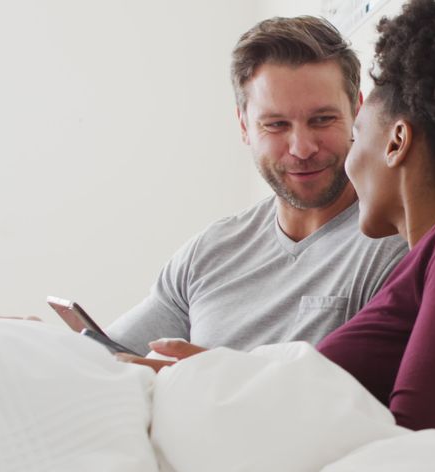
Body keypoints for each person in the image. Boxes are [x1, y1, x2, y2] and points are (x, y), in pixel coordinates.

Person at [139, 0, 435, 442]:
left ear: (396, 142)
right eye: (276, 125)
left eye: (353, 132)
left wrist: (216, 390)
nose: (338, 159)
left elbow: (423, 442)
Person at [107, 16, 408, 357]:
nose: (302, 148)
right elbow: (106, 355)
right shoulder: (208, 253)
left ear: (357, 112)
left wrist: (216, 375)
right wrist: (48, 346)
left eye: (322, 120)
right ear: (244, 126)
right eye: (276, 125)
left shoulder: (395, 244)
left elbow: (364, 397)